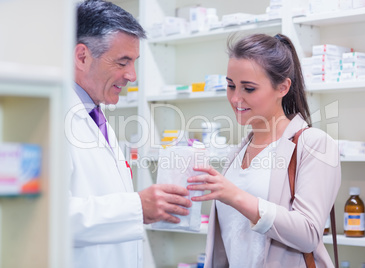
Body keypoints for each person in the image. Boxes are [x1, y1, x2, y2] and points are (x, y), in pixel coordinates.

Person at [187, 33, 341, 267]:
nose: (236, 98)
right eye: (231, 86)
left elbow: (309, 234)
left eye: (248, 88)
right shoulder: (238, 152)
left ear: (282, 87)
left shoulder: (314, 144)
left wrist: (235, 196)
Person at [66, 1, 192, 267]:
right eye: (122, 62)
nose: (132, 76)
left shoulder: (96, 118)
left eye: (133, 63)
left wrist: (139, 207)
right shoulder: (52, 119)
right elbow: (46, 217)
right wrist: (137, 207)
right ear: (81, 57)